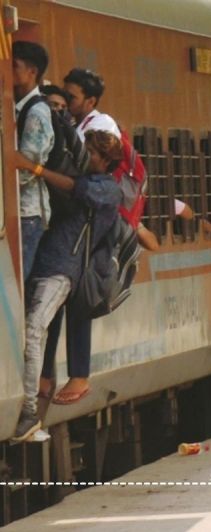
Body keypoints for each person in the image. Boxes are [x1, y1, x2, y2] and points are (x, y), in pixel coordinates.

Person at [12, 130, 123, 442]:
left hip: (62, 270)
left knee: (35, 330)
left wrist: (31, 167)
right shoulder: (86, 179)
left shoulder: (107, 190)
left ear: (105, 160)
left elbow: (76, 189)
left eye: (90, 151)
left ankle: (29, 412)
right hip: (44, 264)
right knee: (30, 330)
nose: (84, 155)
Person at [12, 41, 55, 281]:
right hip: (19, 212)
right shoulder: (17, 108)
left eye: (14, 66)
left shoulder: (36, 113)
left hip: (28, 213)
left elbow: (26, 168)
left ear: (32, 72)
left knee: (18, 282)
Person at [62, 68, 120, 142]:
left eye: (71, 97)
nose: (64, 100)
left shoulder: (102, 123)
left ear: (91, 102)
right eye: (63, 94)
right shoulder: (73, 123)